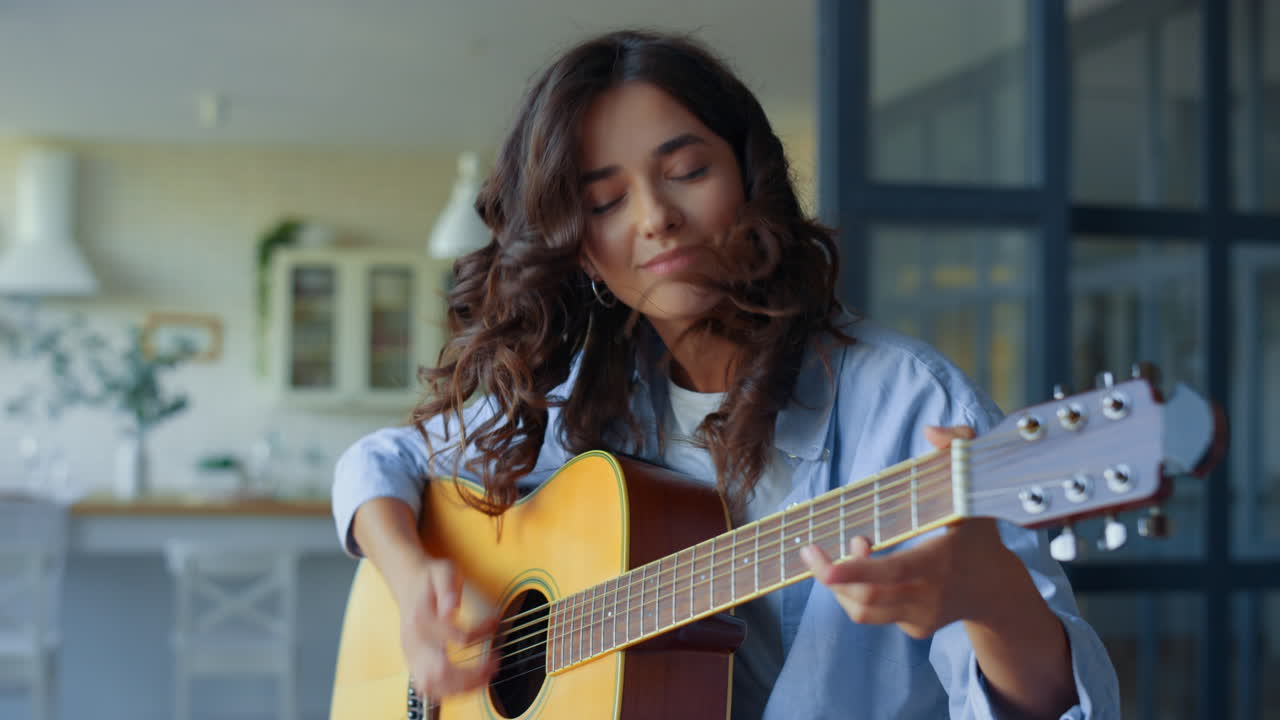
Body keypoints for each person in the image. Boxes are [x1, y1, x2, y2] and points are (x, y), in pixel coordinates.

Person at [332, 29, 1120, 720]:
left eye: (687, 170)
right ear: (579, 250)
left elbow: (1058, 710)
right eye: (604, 201)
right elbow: (381, 463)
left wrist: (991, 598)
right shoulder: (572, 393)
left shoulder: (910, 406)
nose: (654, 216)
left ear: (749, 174)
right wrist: (413, 583)